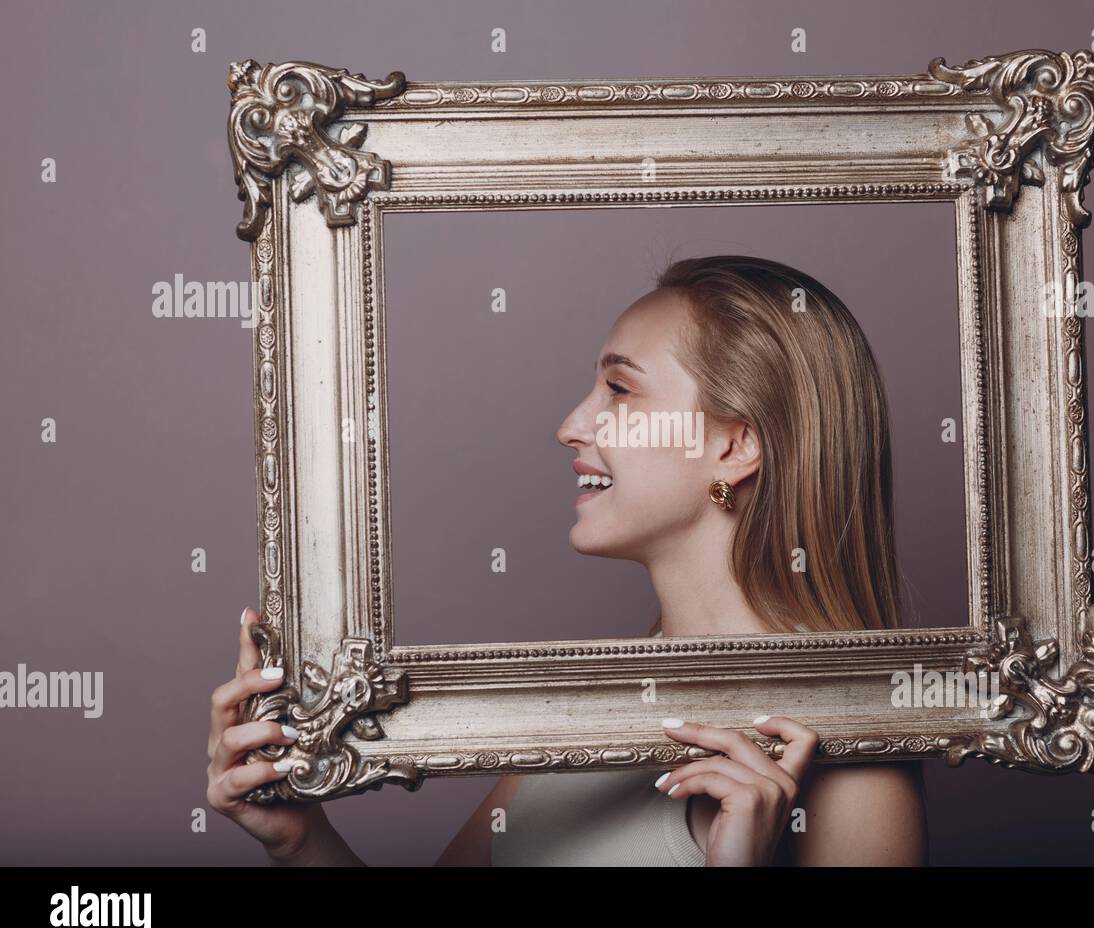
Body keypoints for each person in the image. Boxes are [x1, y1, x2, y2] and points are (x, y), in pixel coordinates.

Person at [207, 255, 929, 866]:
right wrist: (301, 840)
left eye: (619, 389)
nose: (571, 427)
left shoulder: (853, 761)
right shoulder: (595, 695)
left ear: (736, 447)